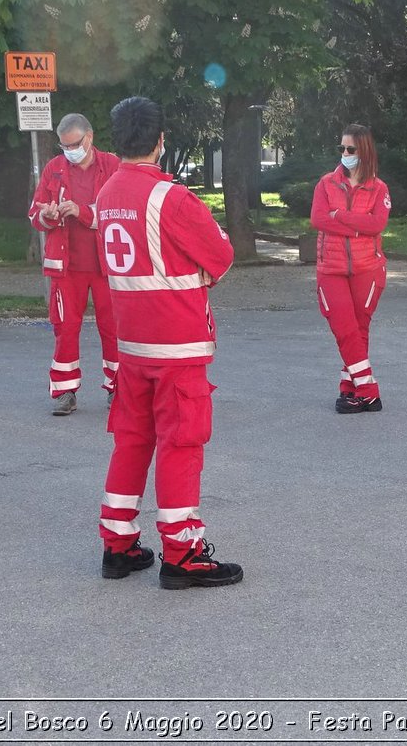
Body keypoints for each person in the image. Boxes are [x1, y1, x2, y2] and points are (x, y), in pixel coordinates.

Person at [93, 96, 243, 589]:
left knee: (132, 440)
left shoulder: (106, 193)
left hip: (131, 343)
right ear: (161, 141)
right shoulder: (171, 197)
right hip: (177, 343)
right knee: (181, 443)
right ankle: (182, 552)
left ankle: (117, 543)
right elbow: (221, 256)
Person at [28, 113, 122, 416]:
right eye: (64, 146)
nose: (69, 151)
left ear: (90, 138)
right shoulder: (54, 169)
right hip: (66, 268)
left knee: (114, 329)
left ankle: (119, 389)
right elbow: (35, 213)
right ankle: (64, 392)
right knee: (65, 329)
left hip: (108, 266)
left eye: (74, 144)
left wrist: (81, 212)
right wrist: (49, 215)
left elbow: (118, 211)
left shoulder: (113, 166)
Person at [309, 124, 391, 414]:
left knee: (358, 330)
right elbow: (318, 219)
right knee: (345, 329)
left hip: (368, 269)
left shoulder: (379, 188)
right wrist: (357, 225)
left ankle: (350, 390)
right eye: (342, 148)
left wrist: (341, 217)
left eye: (351, 149)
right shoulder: (325, 184)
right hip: (330, 269)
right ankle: (369, 391)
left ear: (364, 151)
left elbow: (377, 224)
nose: (345, 153)